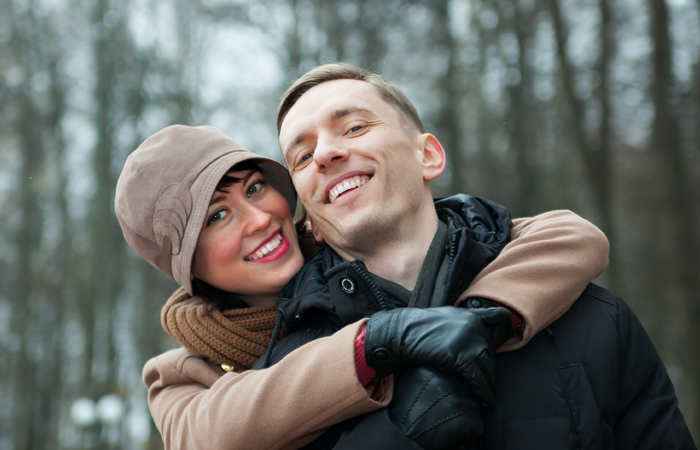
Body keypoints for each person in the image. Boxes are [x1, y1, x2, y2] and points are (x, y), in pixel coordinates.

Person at [264, 62, 696, 448]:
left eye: (354, 127)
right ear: (312, 221)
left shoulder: (596, 320)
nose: (323, 154)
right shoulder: (281, 375)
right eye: (302, 156)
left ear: (428, 155)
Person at [115, 125, 610, 449]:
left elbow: (570, 236)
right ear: (187, 267)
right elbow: (213, 434)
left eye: (254, 188)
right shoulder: (180, 375)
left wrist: (477, 318)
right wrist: (376, 342)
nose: (260, 218)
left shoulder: (357, 248)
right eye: (218, 216)